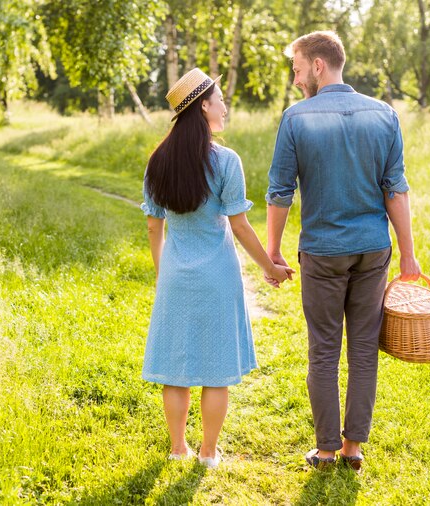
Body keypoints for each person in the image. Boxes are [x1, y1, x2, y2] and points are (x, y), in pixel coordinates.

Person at [265, 31, 421, 471]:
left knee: (324, 350)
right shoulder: (384, 115)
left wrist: (273, 252)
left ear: (318, 66)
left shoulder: (296, 119)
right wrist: (408, 255)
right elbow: (397, 190)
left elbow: (280, 192)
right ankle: (353, 449)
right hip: (373, 250)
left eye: (297, 70)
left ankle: (328, 450)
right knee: (364, 350)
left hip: (323, 252)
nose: (296, 80)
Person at [141, 68, 294, 469]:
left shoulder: (157, 161)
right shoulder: (226, 161)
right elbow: (240, 225)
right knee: (215, 370)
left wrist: (163, 272)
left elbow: (154, 224)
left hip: (175, 275)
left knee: (175, 368)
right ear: (204, 105)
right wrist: (270, 268)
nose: (225, 106)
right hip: (218, 277)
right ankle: (208, 452)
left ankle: (178, 447)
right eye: (220, 98)